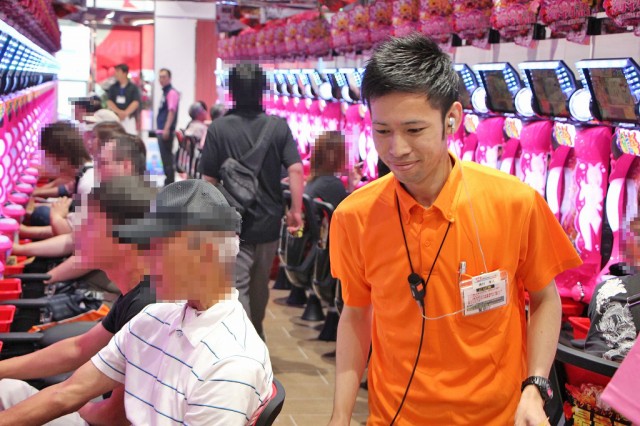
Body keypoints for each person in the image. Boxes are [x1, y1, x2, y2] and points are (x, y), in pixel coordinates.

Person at [327, 34, 582, 426]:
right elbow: (356, 316)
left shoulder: (514, 202)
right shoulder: (354, 216)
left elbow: (545, 298)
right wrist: (340, 416)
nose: (397, 149)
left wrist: (535, 386)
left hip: (498, 418)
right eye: (382, 131)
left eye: (414, 130)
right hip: (395, 417)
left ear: (452, 118)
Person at [0, 180, 273, 425]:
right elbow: (68, 392)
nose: (149, 262)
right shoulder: (153, 317)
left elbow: (109, 415)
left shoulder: (231, 365)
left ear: (206, 254)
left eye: (161, 250)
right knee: (7, 391)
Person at [0, 175, 157, 426]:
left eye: (90, 223)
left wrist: (70, 404)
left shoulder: (149, 308)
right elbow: (79, 348)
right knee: (6, 389)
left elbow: (115, 416)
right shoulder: (138, 291)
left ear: (125, 238)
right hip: (95, 411)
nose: (79, 230)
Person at [200, 63, 304, 339]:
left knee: (238, 287)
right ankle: (255, 335)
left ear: (232, 91)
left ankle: (247, 343)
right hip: (269, 223)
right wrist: (296, 211)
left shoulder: (218, 128)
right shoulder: (278, 127)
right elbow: (295, 169)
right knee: (260, 287)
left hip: (233, 223)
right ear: (263, 90)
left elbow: (208, 180)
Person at [155, 68, 180, 185]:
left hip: (165, 131)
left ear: (169, 78)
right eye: (160, 77)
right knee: (165, 159)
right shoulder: (165, 92)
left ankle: (170, 183)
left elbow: (171, 111)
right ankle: (169, 182)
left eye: (164, 77)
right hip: (162, 130)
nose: (161, 79)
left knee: (167, 159)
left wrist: (166, 128)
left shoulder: (171, 93)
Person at [106, 63, 141, 135]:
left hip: (129, 118)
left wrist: (125, 113)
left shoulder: (133, 87)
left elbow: (135, 102)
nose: (116, 74)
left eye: (118, 71)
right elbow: (109, 102)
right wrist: (119, 112)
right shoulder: (113, 87)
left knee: (130, 136)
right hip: (115, 118)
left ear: (124, 73)